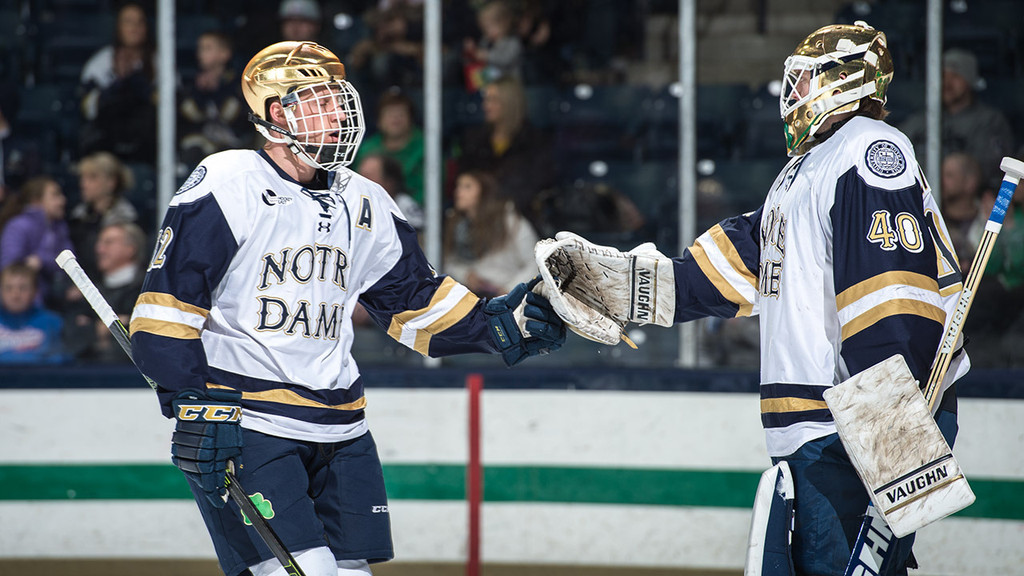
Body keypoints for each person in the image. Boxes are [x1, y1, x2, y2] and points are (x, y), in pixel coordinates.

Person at [542, 22, 966, 575]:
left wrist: (895, 440)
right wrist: (629, 288)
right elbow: (739, 268)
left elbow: (891, 298)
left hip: (860, 423)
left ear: (846, 80)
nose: (793, 95)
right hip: (820, 429)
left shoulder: (869, 149)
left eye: (805, 79)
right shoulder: (807, 169)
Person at [128, 41, 565, 576]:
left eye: (336, 99)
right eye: (316, 101)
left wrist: (499, 326)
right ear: (274, 113)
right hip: (249, 419)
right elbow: (168, 307)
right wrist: (191, 403)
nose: (335, 113)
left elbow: (411, 302)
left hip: (343, 427)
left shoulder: (367, 199)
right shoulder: (228, 182)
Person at [900, 48, 1015, 192]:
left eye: (955, 76)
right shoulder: (921, 119)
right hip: (919, 197)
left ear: (970, 80)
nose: (946, 83)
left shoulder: (989, 120)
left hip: (969, 203)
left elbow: (992, 171)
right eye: (942, 76)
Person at [454, 77, 555, 231]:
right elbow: (465, 178)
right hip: (476, 221)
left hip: (518, 221)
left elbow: (536, 184)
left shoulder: (534, 141)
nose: (486, 105)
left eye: (493, 100)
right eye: (486, 100)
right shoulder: (474, 139)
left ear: (509, 103)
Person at [78, 1, 157, 163]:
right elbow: (88, 108)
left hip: (148, 142)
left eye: (139, 22)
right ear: (118, 27)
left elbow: (169, 106)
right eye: (128, 22)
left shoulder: (160, 62)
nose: (134, 28)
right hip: (107, 140)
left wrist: (140, 85)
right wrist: (118, 84)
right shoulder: (100, 62)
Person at [443, 170, 538, 298]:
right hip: (474, 298)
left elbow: (535, 262)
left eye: (467, 187)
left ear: (484, 192)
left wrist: (510, 290)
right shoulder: (457, 225)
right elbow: (449, 262)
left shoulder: (510, 221)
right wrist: (466, 275)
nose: (458, 192)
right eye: (458, 186)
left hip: (510, 299)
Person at [178, 31, 252, 168]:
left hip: (233, 145)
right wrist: (200, 92)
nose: (200, 54)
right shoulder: (191, 84)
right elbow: (190, 115)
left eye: (207, 48)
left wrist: (218, 89)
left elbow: (231, 116)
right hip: (199, 145)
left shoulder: (238, 84)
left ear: (225, 54)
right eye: (200, 48)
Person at [0, 176, 73, 307]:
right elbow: (9, 266)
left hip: (57, 293)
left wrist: (42, 261)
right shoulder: (18, 226)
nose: (63, 200)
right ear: (36, 201)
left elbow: (70, 263)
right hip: (28, 300)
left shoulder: (60, 227)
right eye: (55, 195)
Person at [67, 151, 139, 280]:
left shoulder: (126, 219)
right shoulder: (77, 218)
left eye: (92, 178)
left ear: (111, 182)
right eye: (82, 178)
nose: (83, 184)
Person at [353, 89, 424, 205]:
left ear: (411, 118)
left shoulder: (426, 147)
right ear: (379, 120)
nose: (395, 119)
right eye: (390, 113)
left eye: (401, 113)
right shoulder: (367, 148)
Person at [0, 263, 67, 364]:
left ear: (35, 291)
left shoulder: (53, 323)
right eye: (9, 288)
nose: (15, 295)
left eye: (23, 288)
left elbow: (62, 361)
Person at [462, 0, 523, 90]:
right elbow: (477, 60)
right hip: (490, 86)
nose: (487, 32)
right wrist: (472, 51)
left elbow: (505, 59)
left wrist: (486, 55)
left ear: (503, 23)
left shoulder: (513, 43)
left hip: (509, 87)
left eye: (489, 27)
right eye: (484, 28)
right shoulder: (486, 42)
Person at [356, 152, 423, 230]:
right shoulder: (355, 205)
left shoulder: (403, 205)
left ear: (390, 181)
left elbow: (419, 238)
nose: (361, 182)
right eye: (359, 176)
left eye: (367, 176)